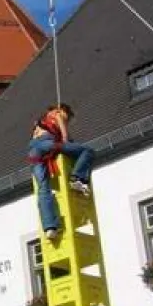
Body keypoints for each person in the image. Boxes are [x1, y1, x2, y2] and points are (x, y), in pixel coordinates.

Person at [28, 103, 94, 241]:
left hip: (33, 152)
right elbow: (65, 138)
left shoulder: (40, 121)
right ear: (65, 112)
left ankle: (50, 228)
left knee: (43, 189)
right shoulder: (58, 113)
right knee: (87, 151)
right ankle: (77, 178)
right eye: (68, 118)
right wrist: (69, 143)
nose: (67, 121)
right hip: (48, 144)